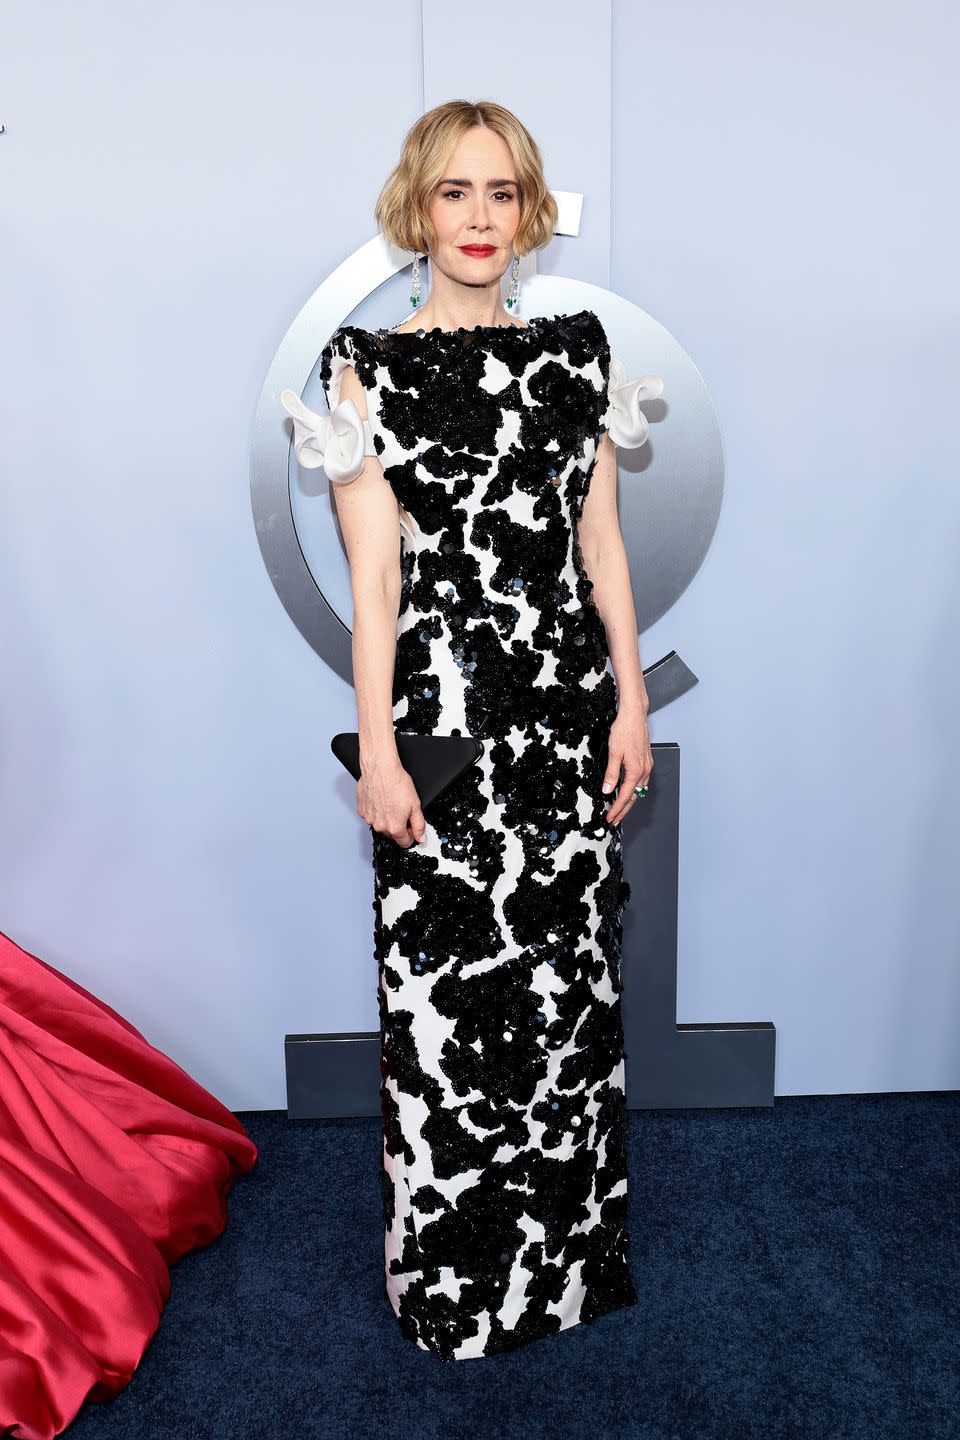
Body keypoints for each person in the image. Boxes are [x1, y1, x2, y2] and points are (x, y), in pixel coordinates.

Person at [282, 99, 663, 1362]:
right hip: (442, 730)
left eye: (502, 193)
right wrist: (379, 752)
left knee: (567, 1002)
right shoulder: (366, 370)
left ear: (529, 210)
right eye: (456, 193)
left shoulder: (576, 354)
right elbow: (374, 586)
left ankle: (563, 1273)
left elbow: (601, 547)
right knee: (445, 1014)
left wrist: (633, 698)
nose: (481, 218)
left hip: (564, 722)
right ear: (418, 209)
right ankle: (451, 1285)